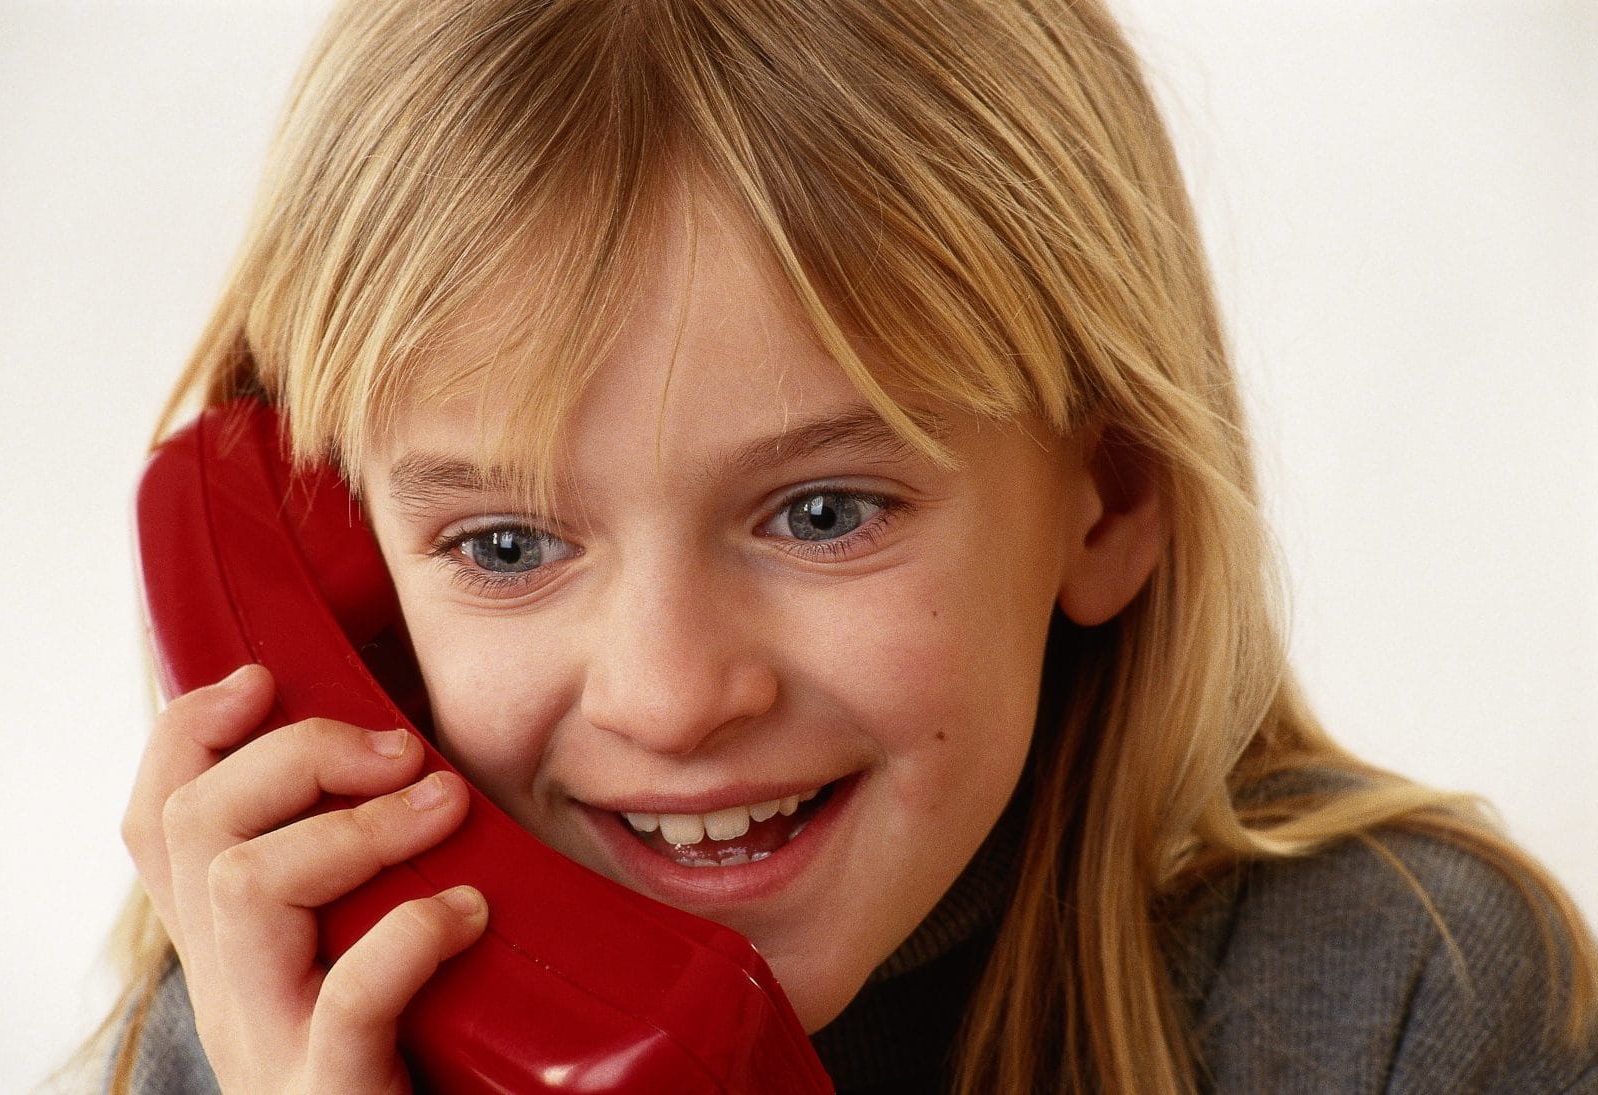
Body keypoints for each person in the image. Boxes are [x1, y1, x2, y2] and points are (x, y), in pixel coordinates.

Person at [97, 1, 1597, 1091]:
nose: (671, 698)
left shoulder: (1402, 1002)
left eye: (823, 514)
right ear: (340, 560)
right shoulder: (277, 1026)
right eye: (501, 544)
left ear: (1111, 494)